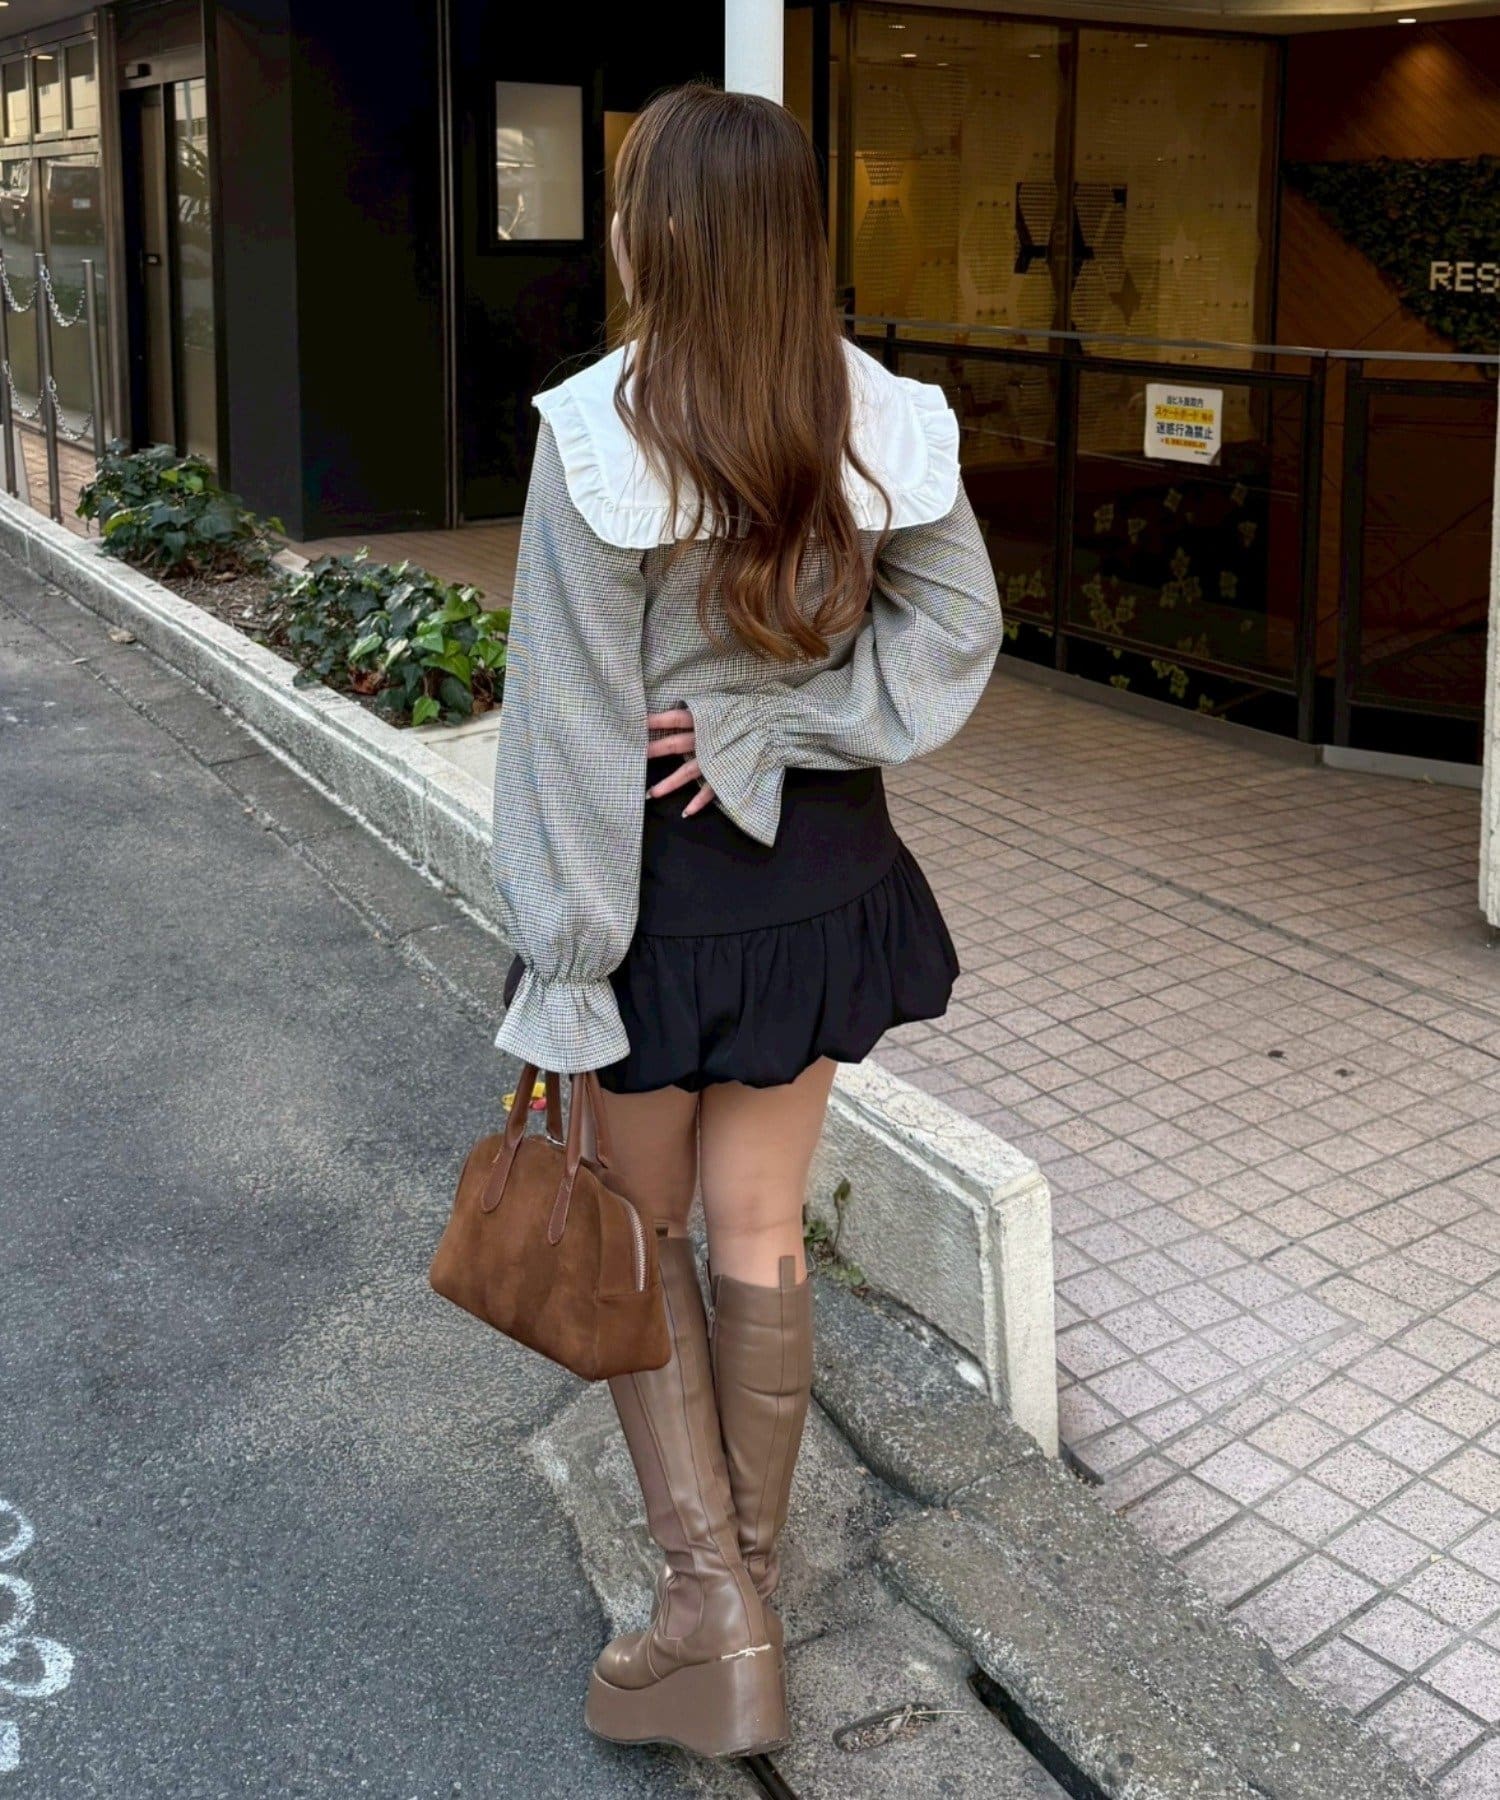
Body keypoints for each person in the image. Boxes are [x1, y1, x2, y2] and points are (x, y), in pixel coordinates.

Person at [489, 83, 1002, 1762]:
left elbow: (567, 728)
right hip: (822, 886)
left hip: (648, 902)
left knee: (639, 1241)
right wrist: (785, 727)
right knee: (762, 1228)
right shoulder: (882, 418)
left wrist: (564, 961)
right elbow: (954, 632)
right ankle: (748, 1599)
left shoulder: (599, 433)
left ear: (656, 231)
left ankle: (710, 1608)